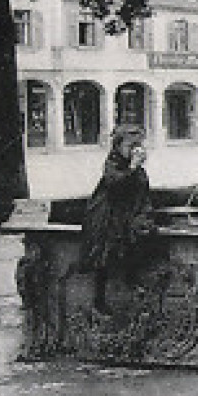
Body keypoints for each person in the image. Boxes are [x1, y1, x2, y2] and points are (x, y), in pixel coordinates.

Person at [78, 128, 155, 311]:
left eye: (139, 145)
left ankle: (132, 277)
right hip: (107, 212)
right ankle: (100, 298)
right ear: (118, 146)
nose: (135, 150)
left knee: (142, 232)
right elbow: (114, 183)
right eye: (131, 146)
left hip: (128, 212)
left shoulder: (137, 169)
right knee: (105, 248)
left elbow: (142, 193)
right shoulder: (113, 162)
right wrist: (132, 168)